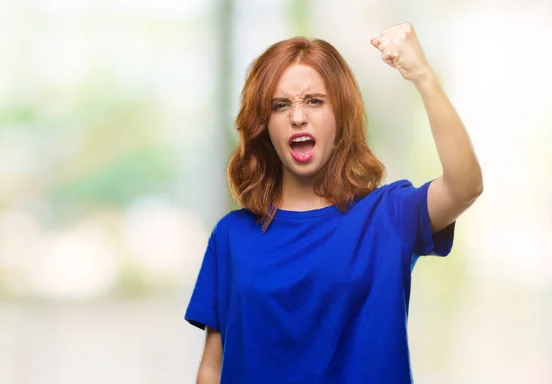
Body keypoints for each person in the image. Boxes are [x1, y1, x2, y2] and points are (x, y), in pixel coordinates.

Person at [184, 22, 483, 384]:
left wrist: (422, 75)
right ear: (264, 125)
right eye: (280, 105)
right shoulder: (231, 236)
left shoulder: (389, 216)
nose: (298, 116)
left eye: (315, 101)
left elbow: (465, 185)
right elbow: (212, 368)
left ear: (340, 116)